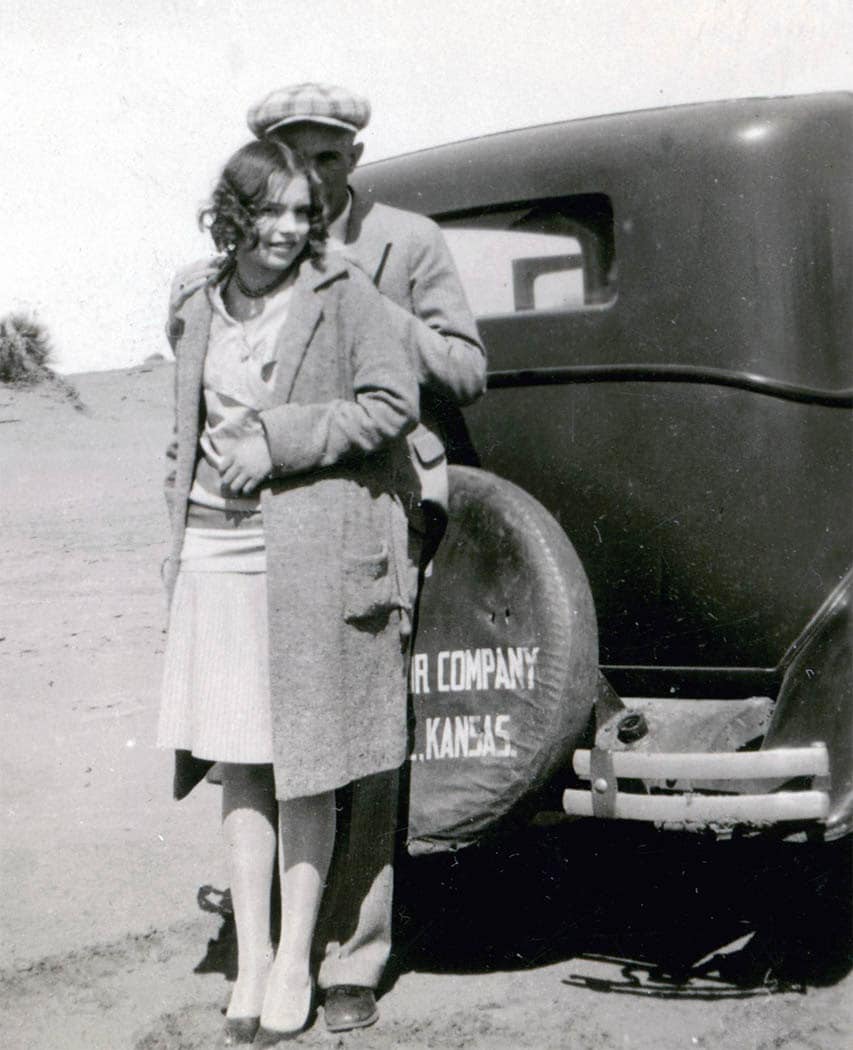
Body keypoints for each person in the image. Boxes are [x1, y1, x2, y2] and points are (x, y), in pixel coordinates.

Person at [156, 139, 420, 1046]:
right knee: (239, 758)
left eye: (304, 212)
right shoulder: (194, 302)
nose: (288, 228)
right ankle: (254, 952)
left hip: (300, 551)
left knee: (302, 757)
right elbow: (186, 424)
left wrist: (280, 438)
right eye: (269, 210)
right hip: (209, 550)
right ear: (232, 213)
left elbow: (393, 403)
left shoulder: (345, 297)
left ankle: (298, 957)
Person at [245, 82, 486, 1032]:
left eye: (333, 153)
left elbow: (467, 369)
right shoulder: (263, 249)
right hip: (273, 507)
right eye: (297, 154)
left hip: (379, 503)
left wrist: (372, 308)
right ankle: (272, 937)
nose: (318, 171)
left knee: (368, 723)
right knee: (268, 721)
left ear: (356, 155)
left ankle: (354, 953)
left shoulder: (408, 241)